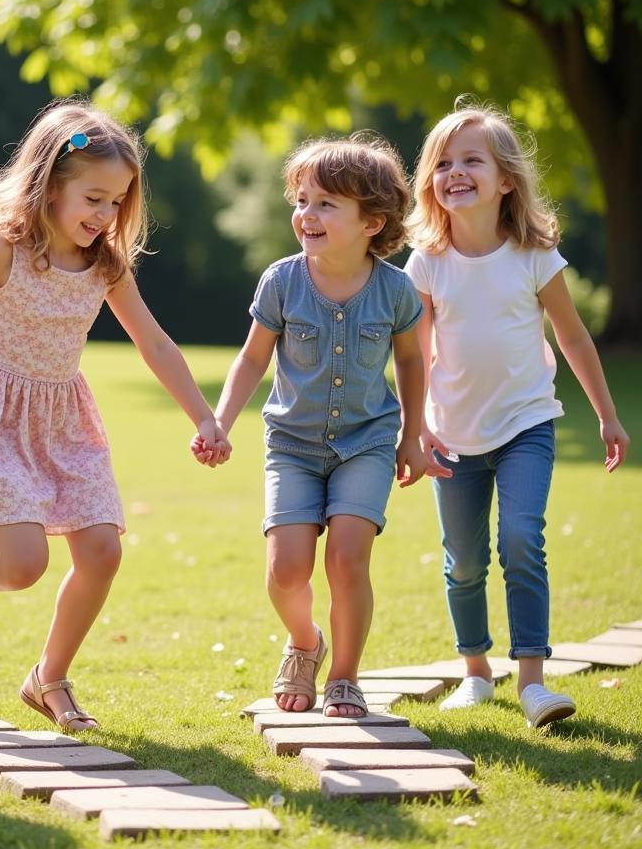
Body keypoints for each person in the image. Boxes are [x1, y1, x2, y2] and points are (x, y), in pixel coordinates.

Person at [0, 98, 228, 731]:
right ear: (49, 185)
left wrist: (204, 417)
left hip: (63, 420)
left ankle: (49, 678)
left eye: (118, 201)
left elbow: (154, 343)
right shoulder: (2, 252)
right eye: (93, 197)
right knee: (24, 565)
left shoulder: (107, 267)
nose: (106, 214)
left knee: (102, 550)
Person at [197, 136, 444, 718]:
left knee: (348, 558)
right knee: (286, 571)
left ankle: (344, 679)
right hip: (293, 445)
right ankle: (305, 643)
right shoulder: (282, 282)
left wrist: (413, 433)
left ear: (371, 222)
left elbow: (411, 359)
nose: (307, 214)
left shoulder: (396, 289)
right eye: (302, 200)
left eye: (326, 204)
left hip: (369, 441)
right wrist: (220, 421)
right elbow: (252, 359)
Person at [406, 100, 630, 728]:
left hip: (526, 425)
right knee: (465, 558)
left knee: (521, 539)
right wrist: (414, 428)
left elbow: (575, 339)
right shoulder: (426, 263)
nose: (456, 172)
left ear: (506, 178)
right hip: (451, 434)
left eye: (471, 160)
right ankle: (476, 672)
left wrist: (608, 416)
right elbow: (415, 354)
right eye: (443, 162)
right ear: (431, 181)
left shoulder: (535, 256)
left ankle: (532, 679)